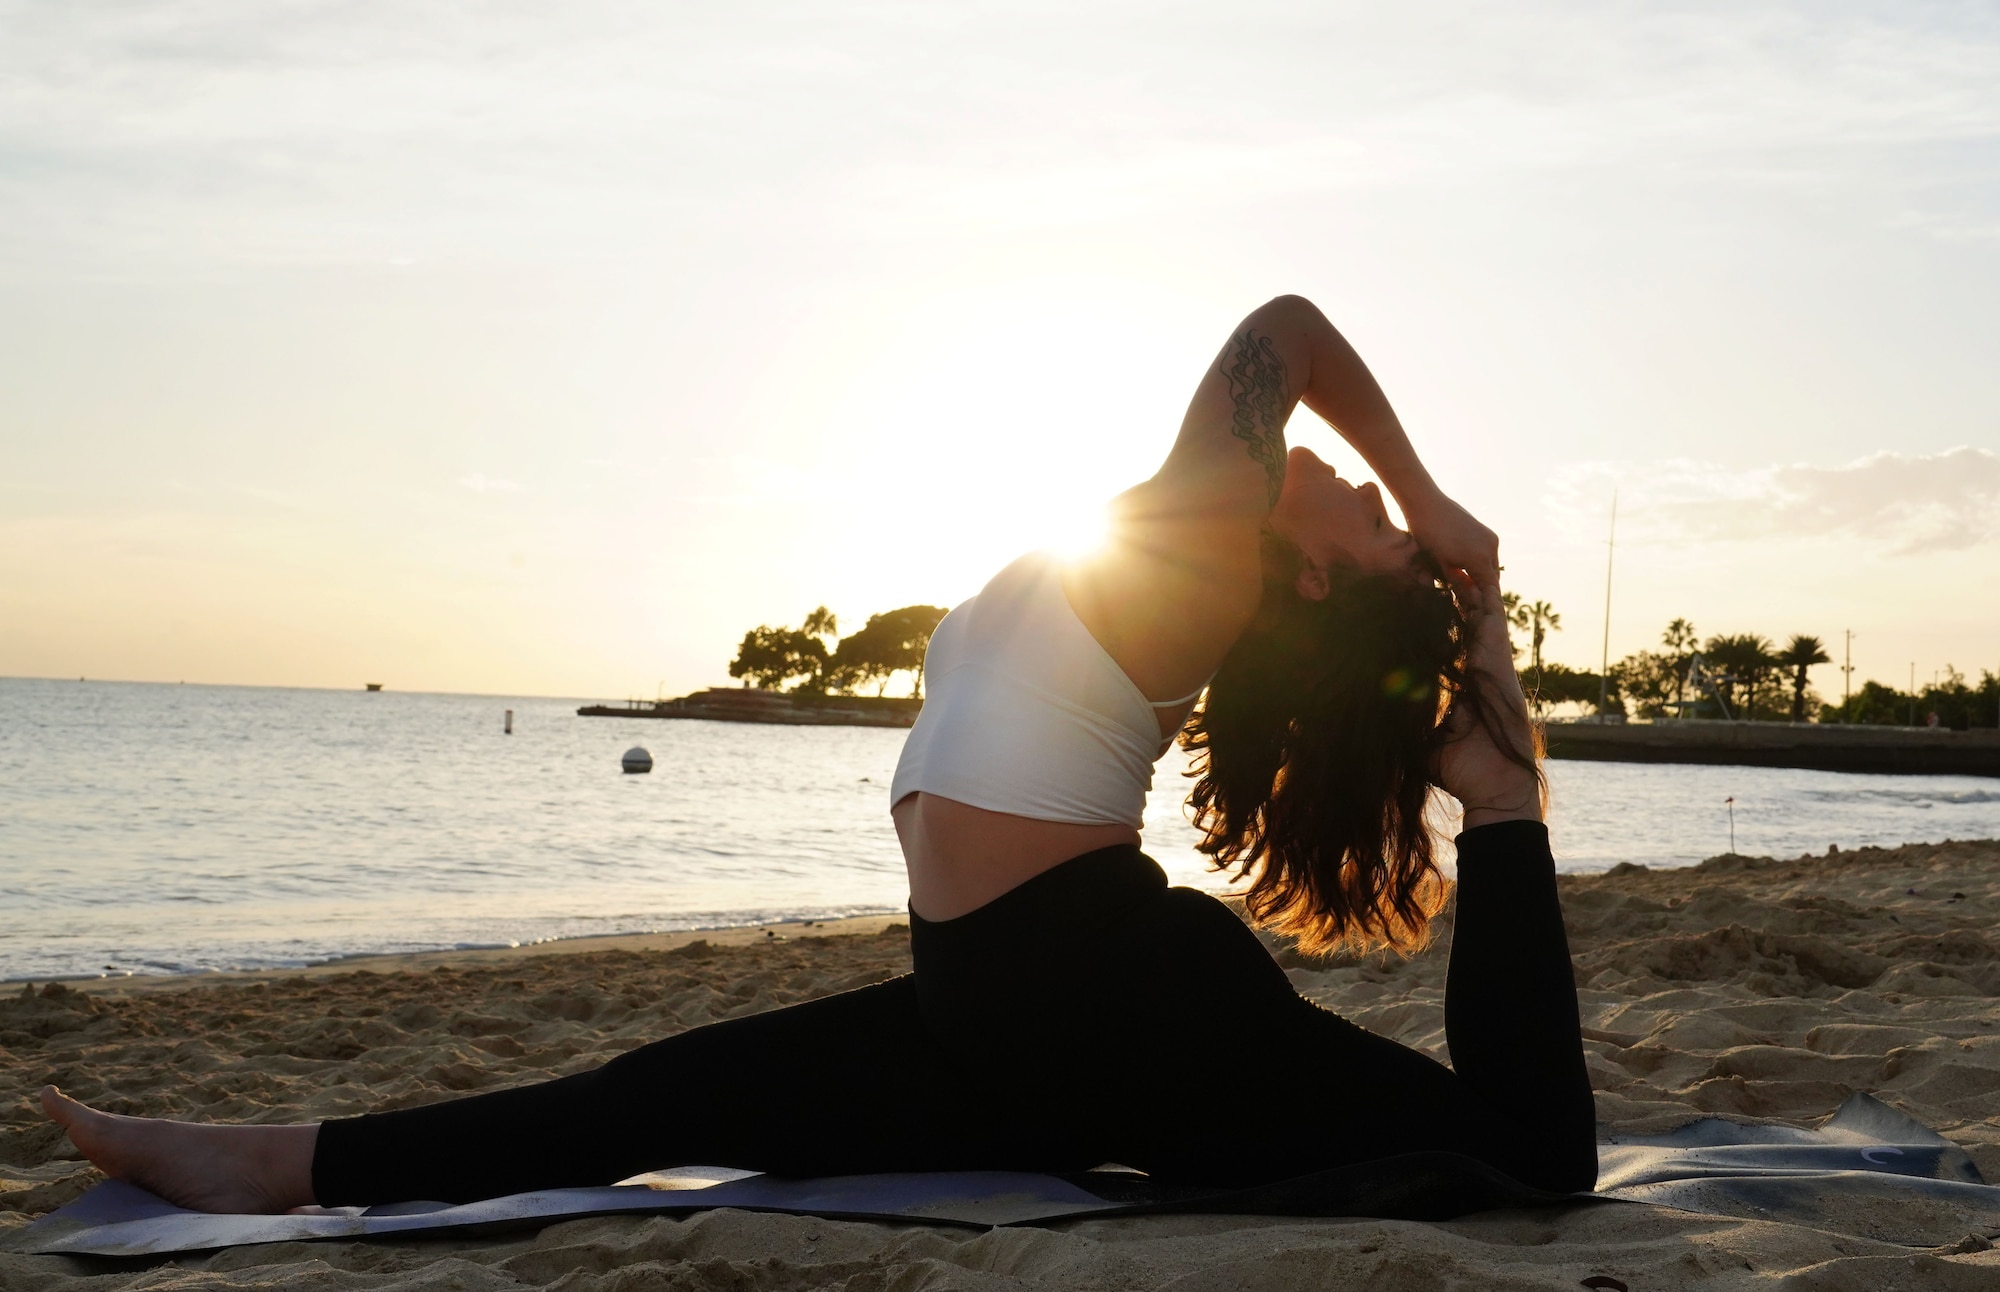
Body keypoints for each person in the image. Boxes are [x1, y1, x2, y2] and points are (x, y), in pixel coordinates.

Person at [40, 294, 1596, 1214]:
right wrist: (1444, 553)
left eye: (1372, 518)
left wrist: (1443, 528)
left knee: (1523, 1162)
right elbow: (1286, 351)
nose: (1354, 485)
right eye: (1379, 496)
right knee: (657, 1098)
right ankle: (286, 1161)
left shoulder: (1222, 547)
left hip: (1106, 985)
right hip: (1001, 998)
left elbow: (1281, 333)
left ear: (1313, 574)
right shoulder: (1180, 545)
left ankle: (1505, 814)